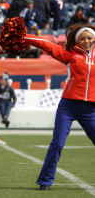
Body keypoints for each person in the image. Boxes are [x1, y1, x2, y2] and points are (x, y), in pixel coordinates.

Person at [18, 23, 95, 190]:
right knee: (58, 143)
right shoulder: (70, 55)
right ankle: (45, 181)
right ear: (77, 41)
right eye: (82, 39)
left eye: (89, 38)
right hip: (68, 106)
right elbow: (47, 45)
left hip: (91, 109)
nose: (86, 41)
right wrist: (24, 36)